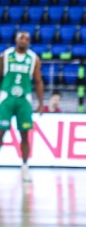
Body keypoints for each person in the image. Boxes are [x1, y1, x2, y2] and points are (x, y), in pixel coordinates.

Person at [0, 31, 44, 183]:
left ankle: (25, 167)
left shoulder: (33, 58)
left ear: (30, 42)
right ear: (16, 39)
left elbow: (38, 81)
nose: (24, 41)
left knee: (25, 135)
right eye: (21, 38)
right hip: (6, 98)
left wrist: (40, 103)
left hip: (24, 100)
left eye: (27, 39)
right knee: (0, 133)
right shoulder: (5, 55)